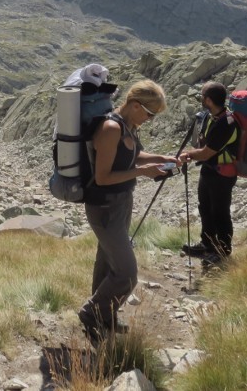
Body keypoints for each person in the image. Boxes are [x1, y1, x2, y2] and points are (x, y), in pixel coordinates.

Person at [77, 79, 179, 345]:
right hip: (104, 206)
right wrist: (143, 173)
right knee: (127, 272)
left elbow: (135, 156)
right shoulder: (111, 128)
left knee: (108, 262)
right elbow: (102, 177)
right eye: (150, 113)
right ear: (135, 105)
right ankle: (91, 313)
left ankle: (104, 316)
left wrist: (162, 159)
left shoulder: (129, 125)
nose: (151, 119)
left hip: (121, 202)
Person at [179, 81, 239, 266]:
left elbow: (206, 152)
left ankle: (222, 251)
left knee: (220, 212)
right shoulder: (212, 117)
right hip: (210, 170)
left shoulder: (226, 123)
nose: (201, 99)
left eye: (203, 96)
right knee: (205, 207)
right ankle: (207, 244)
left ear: (209, 100)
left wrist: (187, 154)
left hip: (222, 174)